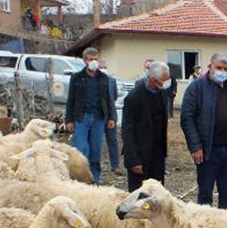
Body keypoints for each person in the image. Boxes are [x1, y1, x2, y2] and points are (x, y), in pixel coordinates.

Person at [181, 53, 227, 209]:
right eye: (219, 68)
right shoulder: (196, 88)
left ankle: (226, 227)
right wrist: (195, 146)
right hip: (208, 150)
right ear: (210, 67)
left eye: (225, 68)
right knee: (205, 193)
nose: (222, 71)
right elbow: (187, 119)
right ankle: (205, 227)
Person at [65, 47, 117, 185]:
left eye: (95, 59)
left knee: (96, 150)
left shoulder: (103, 78)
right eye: (90, 59)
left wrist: (111, 117)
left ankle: (94, 178)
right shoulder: (77, 78)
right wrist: (69, 120)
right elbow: (71, 99)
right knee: (81, 148)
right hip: (81, 117)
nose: (93, 62)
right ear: (85, 61)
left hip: (98, 118)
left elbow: (108, 99)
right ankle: (80, 176)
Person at [122, 62, 171, 192]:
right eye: (164, 80)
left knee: (156, 193)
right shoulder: (133, 97)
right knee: (139, 194)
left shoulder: (161, 93)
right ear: (154, 80)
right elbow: (127, 130)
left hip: (157, 153)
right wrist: (133, 159)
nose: (167, 83)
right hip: (140, 154)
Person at [98, 59, 122, 176]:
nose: (103, 70)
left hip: (111, 115)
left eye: (104, 67)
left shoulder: (112, 81)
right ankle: (96, 165)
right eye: (101, 67)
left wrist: (111, 116)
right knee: (97, 142)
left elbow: (114, 96)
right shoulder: (95, 81)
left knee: (112, 141)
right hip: (98, 116)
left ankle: (115, 165)